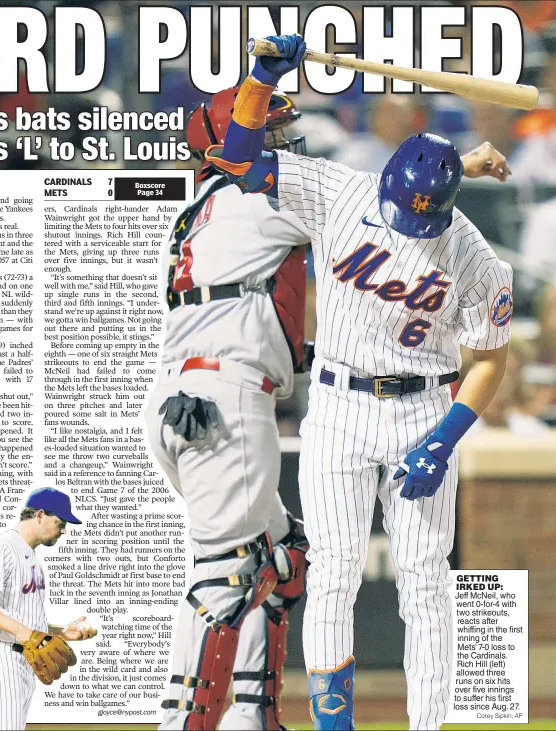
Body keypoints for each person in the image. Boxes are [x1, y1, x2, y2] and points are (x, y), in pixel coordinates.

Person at [207, 34, 513, 731]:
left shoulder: (472, 256)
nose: (411, 220)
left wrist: (444, 439)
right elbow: (236, 156)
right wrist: (259, 79)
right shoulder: (341, 190)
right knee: (335, 573)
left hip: (423, 405)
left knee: (426, 586)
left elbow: (489, 361)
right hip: (340, 405)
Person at [145, 86, 312, 731]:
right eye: (271, 132)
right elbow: (364, 211)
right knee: (227, 579)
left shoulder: (202, 207)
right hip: (224, 404)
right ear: (234, 144)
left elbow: (248, 309)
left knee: (282, 557)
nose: (284, 142)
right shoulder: (254, 198)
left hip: (186, 397)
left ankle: (250, 718)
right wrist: (453, 169)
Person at [0, 488, 97, 731]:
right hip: (1, 657)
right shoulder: (3, 546)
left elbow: (22, 618)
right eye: (60, 522)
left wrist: (61, 632)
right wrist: (25, 633)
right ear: (40, 515)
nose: (65, 530)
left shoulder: (30, 555)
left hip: (21, 658)